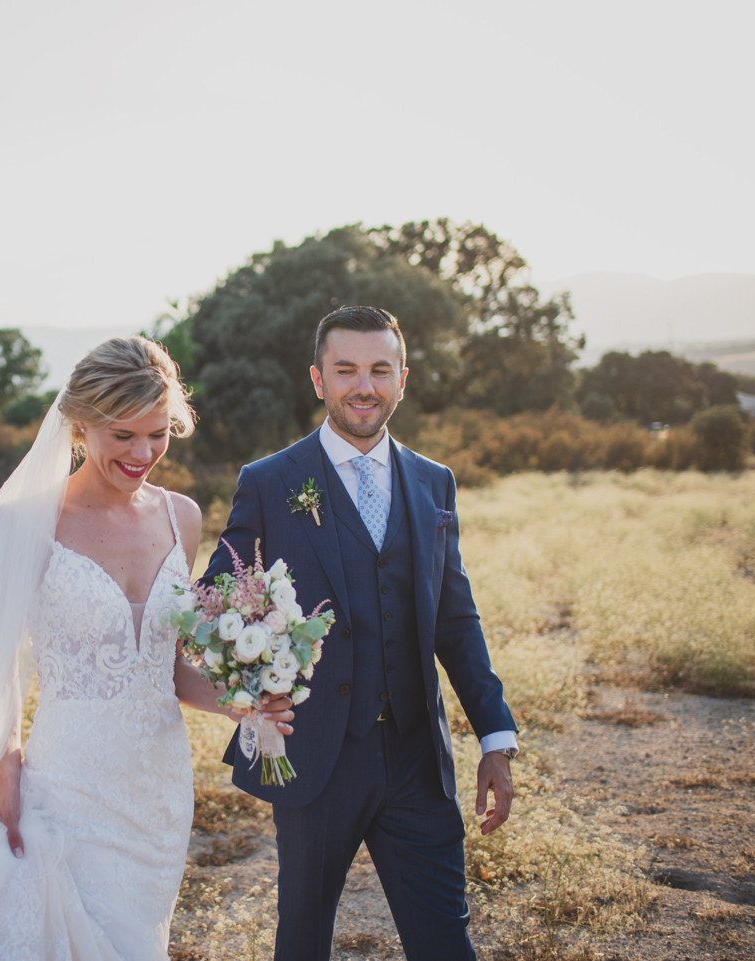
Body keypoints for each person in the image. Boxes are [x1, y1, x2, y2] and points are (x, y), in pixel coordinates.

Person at [0, 335, 293, 961]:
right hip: (67, 784)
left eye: (158, 434)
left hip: (158, 789)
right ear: (81, 425)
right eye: (124, 435)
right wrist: (6, 770)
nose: (143, 453)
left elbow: (167, 666)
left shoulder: (183, 517)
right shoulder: (26, 519)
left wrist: (243, 703)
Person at [203, 306, 518, 961]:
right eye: (345, 369)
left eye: (380, 369)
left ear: (403, 379)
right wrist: (253, 687)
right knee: (303, 940)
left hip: (414, 759)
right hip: (314, 754)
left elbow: (455, 620)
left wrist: (495, 736)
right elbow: (217, 602)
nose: (363, 385)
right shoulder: (270, 481)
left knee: (445, 940)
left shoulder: (435, 483)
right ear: (318, 380)